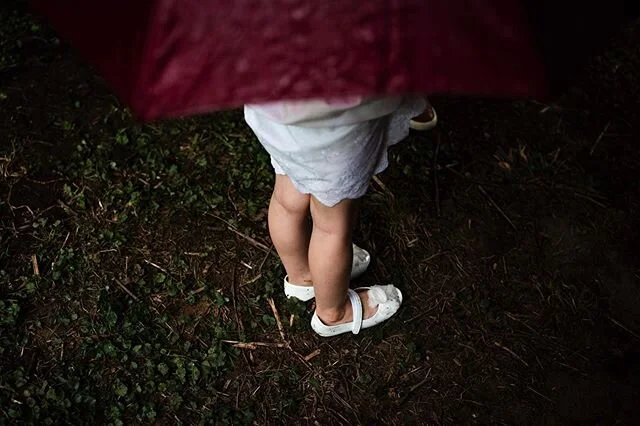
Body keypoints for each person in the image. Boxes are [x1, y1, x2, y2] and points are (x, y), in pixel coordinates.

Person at [244, 96, 436, 337]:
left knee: (286, 200)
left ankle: (302, 278)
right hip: (335, 136)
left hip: (278, 120)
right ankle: (333, 313)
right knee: (331, 228)